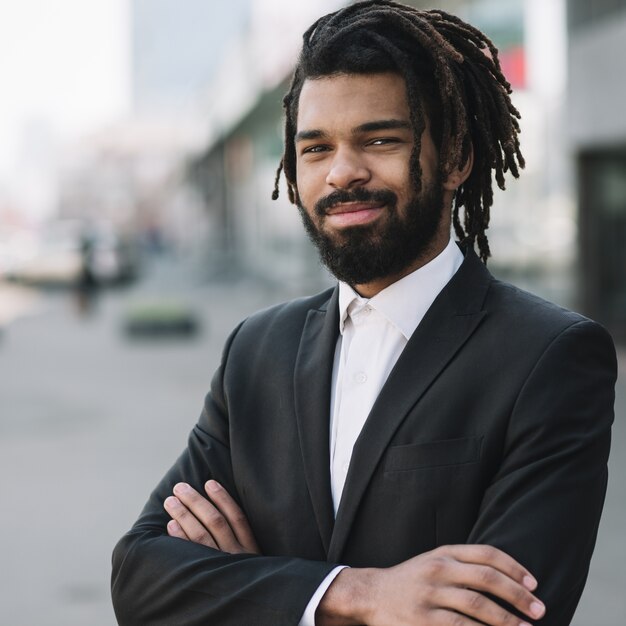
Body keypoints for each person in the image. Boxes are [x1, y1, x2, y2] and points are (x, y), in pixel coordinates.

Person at [111, 2, 616, 625]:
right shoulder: (255, 350)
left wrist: (250, 589)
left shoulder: (550, 356)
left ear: (454, 158)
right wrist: (359, 595)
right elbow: (140, 578)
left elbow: (498, 618)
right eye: (316, 148)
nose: (343, 172)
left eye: (379, 140)